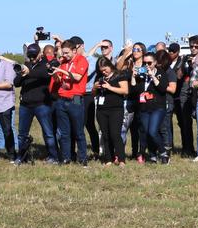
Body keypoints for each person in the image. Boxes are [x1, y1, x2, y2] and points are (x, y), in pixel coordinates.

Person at [13, 44, 58, 165]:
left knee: (48, 133)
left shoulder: (46, 65)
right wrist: (22, 73)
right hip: (25, 105)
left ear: (40, 54)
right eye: (30, 56)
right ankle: (21, 157)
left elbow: (43, 74)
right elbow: (16, 83)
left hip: (41, 104)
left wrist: (28, 72)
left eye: (34, 55)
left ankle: (53, 157)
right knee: (22, 134)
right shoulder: (26, 64)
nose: (32, 58)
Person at [50, 37, 91, 166]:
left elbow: (77, 77)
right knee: (64, 132)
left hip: (76, 99)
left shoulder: (81, 60)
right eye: (63, 52)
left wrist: (61, 70)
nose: (64, 55)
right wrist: (54, 73)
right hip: (62, 99)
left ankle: (83, 159)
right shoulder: (63, 62)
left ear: (74, 50)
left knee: (78, 131)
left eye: (67, 52)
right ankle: (66, 158)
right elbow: (58, 80)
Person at [133, 52, 172, 163]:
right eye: (144, 63)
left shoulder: (161, 73)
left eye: (149, 63)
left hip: (157, 107)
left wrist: (152, 76)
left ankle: (163, 153)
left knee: (152, 131)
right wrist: (133, 77)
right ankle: (152, 154)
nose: (146, 65)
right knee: (145, 131)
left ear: (155, 63)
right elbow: (134, 89)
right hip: (144, 107)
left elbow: (163, 88)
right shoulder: (141, 74)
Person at [92, 56, 129, 164]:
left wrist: (109, 87)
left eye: (105, 69)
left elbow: (125, 91)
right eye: (101, 70)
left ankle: (121, 159)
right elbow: (94, 94)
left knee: (115, 134)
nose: (104, 72)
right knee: (105, 134)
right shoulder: (99, 77)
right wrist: (94, 88)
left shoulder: (119, 75)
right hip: (101, 110)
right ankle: (109, 159)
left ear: (110, 66)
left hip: (116, 109)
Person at [175, 35, 198, 157]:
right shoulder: (184, 57)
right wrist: (185, 64)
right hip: (185, 91)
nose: (194, 48)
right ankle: (187, 149)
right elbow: (178, 76)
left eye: (196, 46)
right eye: (192, 46)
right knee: (185, 122)